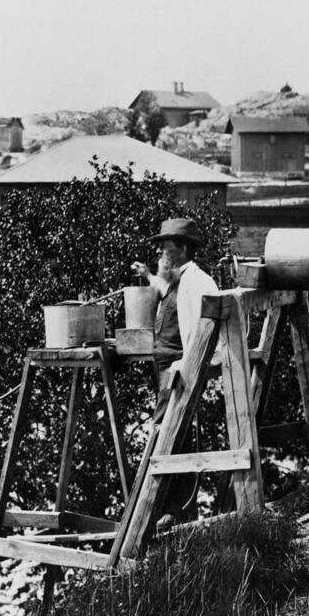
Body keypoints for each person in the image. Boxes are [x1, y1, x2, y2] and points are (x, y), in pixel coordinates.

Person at [131, 218, 219, 525]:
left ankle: (162, 509)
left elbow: (205, 333)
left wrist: (189, 367)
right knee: (171, 435)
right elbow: (165, 286)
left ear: (182, 249)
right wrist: (148, 276)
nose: (159, 252)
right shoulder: (176, 280)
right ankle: (172, 509)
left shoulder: (199, 282)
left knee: (165, 433)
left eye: (165, 247)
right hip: (165, 370)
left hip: (179, 372)